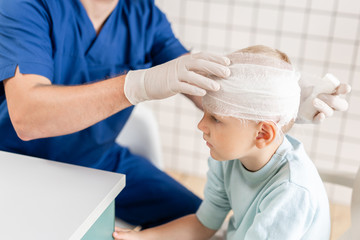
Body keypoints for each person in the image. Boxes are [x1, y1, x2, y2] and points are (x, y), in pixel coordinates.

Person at [0, 0, 349, 230]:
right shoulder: (26, 7)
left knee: (193, 222)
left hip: (98, 158)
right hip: (16, 163)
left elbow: (205, 84)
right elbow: (28, 117)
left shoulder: (144, 17)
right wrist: (135, 85)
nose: (204, 127)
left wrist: (278, 102)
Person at [112, 45, 331, 240]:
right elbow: (203, 225)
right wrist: (141, 237)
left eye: (216, 118)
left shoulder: (291, 192)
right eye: (205, 112)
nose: (200, 125)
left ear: (263, 134)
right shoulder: (228, 159)